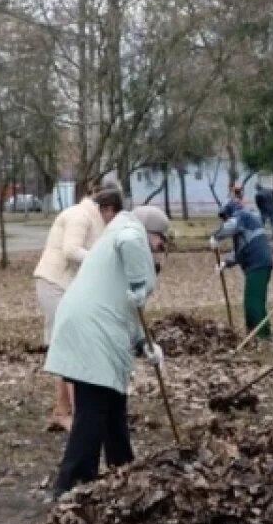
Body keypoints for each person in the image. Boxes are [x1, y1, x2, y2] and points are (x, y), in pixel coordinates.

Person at [45, 204, 171, 497]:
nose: (158, 247)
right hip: (93, 329)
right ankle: (71, 484)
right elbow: (130, 240)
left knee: (113, 404)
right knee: (91, 411)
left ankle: (122, 468)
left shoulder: (120, 251)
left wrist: (144, 345)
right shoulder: (131, 232)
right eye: (160, 240)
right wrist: (139, 283)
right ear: (151, 233)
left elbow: (128, 312)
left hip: (94, 326)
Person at [33, 186, 123, 431]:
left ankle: (64, 411)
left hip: (66, 286)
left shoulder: (89, 219)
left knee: (67, 347)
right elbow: (71, 251)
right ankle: (79, 414)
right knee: (71, 348)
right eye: (113, 216)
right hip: (54, 283)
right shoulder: (79, 216)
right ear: (107, 209)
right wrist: (103, 259)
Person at [210, 199, 273, 341]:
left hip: (258, 265)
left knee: (253, 303)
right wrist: (225, 263)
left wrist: (216, 236)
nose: (225, 220)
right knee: (256, 301)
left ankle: (260, 336)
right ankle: (258, 333)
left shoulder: (242, 216)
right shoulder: (247, 224)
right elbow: (240, 251)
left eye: (225, 217)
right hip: (260, 264)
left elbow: (230, 226)